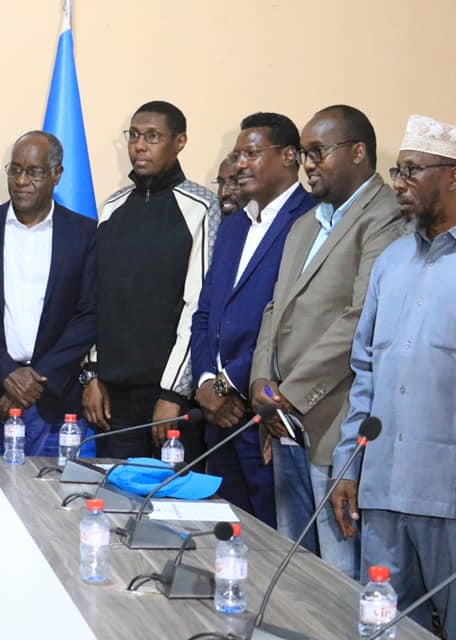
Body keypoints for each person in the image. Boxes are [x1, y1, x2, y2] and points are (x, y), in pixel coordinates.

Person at [251, 105, 404, 578]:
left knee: (339, 577)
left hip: (335, 419)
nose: (308, 164)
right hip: (283, 419)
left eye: (318, 152)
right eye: (304, 153)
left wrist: (290, 394)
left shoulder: (386, 217)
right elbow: (275, 308)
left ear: (357, 151)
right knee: (292, 568)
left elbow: (360, 319)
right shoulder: (306, 222)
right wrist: (261, 383)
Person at [330, 114, 456, 638]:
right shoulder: (391, 261)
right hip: (382, 490)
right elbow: (365, 374)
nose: (399, 184)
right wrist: (348, 466)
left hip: (446, 494)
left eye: (412, 170)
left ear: (452, 175)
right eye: (397, 171)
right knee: (383, 629)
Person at [190, 112, 316, 527]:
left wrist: (227, 385)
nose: (240, 164)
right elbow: (206, 313)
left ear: (289, 156)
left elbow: (293, 323)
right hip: (218, 417)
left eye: (252, 154)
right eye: (236, 155)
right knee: (226, 536)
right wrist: (206, 384)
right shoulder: (233, 225)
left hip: (267, 414)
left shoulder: (312, 219)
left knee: (271, 538)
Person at [82, 100, 220, 459]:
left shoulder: (202, 207)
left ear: (179, 142)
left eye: (153, 137)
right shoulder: (113, 207)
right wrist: (91, 374)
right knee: (111, 491)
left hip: (168, 398)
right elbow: (96, 299)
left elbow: (198, 307)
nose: (140, 146)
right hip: (111, 398)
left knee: (169, 494)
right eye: (134, 136)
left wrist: (173, 392)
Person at [0, 131, 96, 455]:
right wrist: (6, 373)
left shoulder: (84, 234)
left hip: (55, 402)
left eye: (34, 172)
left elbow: (89, 315)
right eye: (15, 170)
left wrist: (35, 380)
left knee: (54, 489)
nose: (21, 181)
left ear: (57, 174)